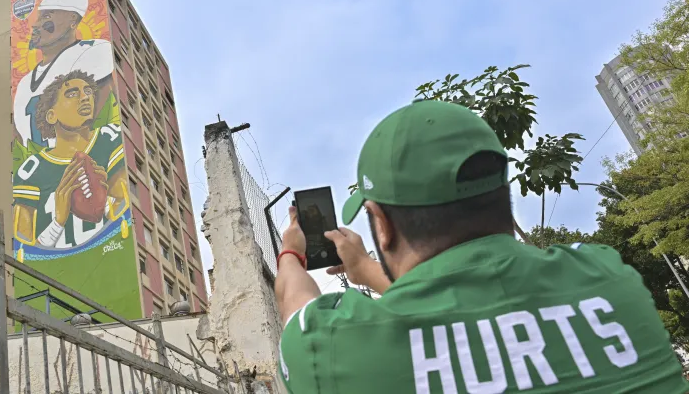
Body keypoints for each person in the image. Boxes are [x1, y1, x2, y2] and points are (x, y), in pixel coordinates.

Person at [275, 99, 689, 393]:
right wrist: (365, 268)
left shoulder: (337, 349)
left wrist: (292, 250)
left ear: (381, 225)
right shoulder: (614, 281)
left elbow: (294, 300)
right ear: (501, 193)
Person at [13, 70, 127, 249]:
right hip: (52, 272)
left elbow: (127, 213)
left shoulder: (110, 139)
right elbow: (23, 248)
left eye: (88, 91)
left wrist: (103, 201)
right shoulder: (31, 171)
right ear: (51, 115)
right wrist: (58, 222)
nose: (84, 97)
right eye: (72, 93)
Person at [13, 0, 114, 149]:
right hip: (41, 170)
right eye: (38, 18)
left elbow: (103, 117)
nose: (36, 25)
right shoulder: (24, 83)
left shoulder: (91, 51)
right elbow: (18, 142)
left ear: (72, 20)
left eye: (46, 16)